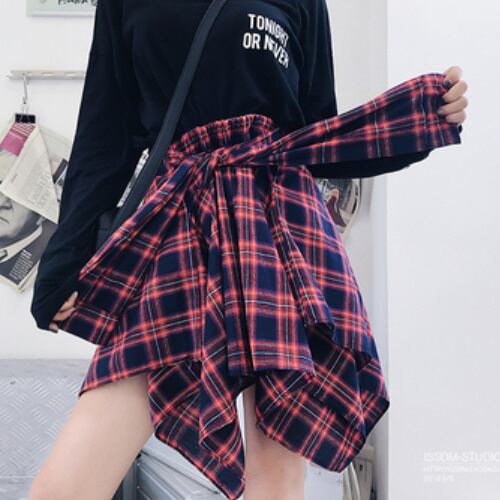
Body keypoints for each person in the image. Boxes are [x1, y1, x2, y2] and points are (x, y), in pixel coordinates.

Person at [28, 1, 468, 499]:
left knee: (276, 471)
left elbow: (316, 135)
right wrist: (62, 263)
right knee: (68, 480)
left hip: (278, 226)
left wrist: (417, 125)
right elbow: (104, 134)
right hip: (181, 221)